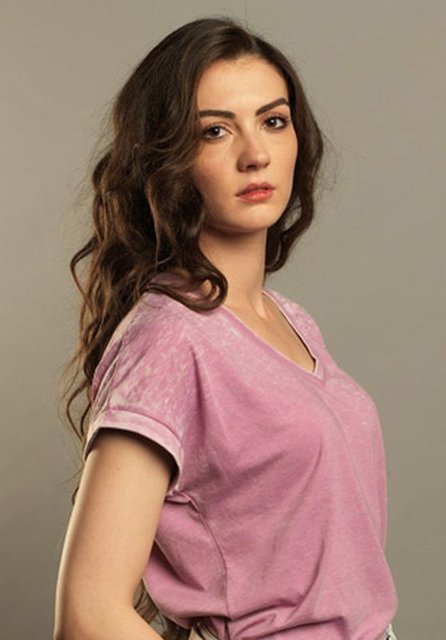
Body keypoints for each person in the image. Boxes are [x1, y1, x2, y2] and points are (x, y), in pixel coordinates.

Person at [54, 16, 399, 640]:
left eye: (274, 121)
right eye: (215, 130)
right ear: (168, 159)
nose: (255, 154)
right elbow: (89, 615)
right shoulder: (170, 339)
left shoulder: (291, 320)